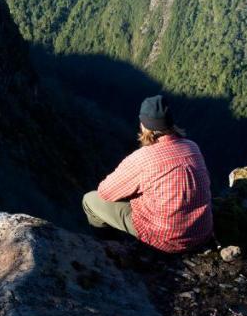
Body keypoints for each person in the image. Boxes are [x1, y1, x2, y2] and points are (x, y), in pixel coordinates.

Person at [82, 95, 214, 253]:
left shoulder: (143, 158)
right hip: (201, 232)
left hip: (164, 239)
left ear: (144, 126)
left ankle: (110, 249)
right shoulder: (193, 148)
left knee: (89, 200)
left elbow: (105, 192)